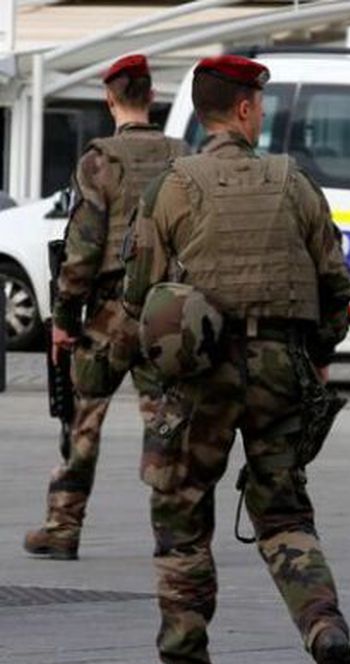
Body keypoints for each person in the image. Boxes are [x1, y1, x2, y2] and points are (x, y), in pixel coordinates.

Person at [121, 55, 350, 664]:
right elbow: (337, 288)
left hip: (200, 378)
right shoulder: (295, 183)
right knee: (284, 515)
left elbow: (139, 293)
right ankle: (323, 627)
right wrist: (318, 356)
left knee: (181, 524)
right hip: (282, 368)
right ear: (249, 109)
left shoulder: (172, 185)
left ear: (204, 113)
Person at [23, 54, 187, 561]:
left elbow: (84, 249)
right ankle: (173, 531)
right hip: (166, 311)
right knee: (164, 420)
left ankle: (63, 526)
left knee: (83, 419)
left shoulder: (98, 160)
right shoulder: (182, 156)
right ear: (152, 98)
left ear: (109, 98)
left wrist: (64, 321)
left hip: (109, 313)